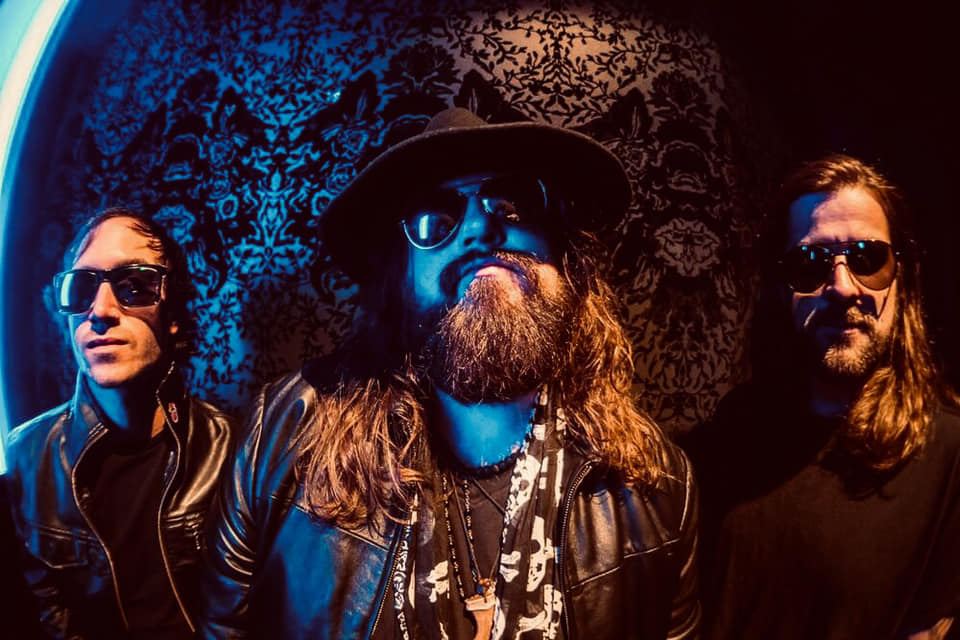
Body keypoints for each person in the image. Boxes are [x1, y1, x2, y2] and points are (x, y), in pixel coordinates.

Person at [200, 107, 700, 639]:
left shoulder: (659, 488)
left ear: (567, 259)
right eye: (434, 220)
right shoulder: (282, 437)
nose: (480, 229)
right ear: (400, 280)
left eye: (512, 204)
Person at [683, 154, 960, 639]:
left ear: (902, 276)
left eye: (868, 258)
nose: (842, 287)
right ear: (779, 286)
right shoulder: (730, 437)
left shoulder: (948, 456)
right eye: (809, 263)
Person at [3, 208, 235, 638]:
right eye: (81, 288)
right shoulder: (27, 457)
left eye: (135, 286)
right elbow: (51, 620)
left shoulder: (233, 449)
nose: (102, 310)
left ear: (173, 316)